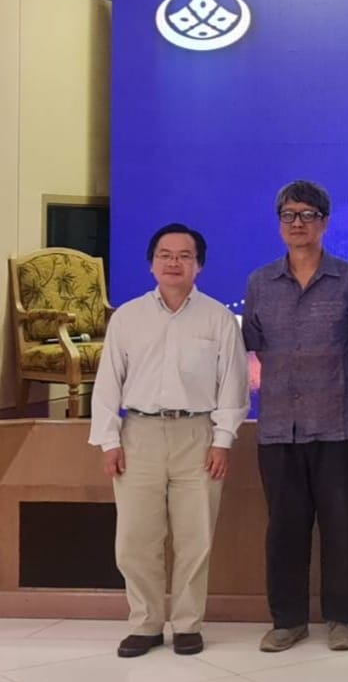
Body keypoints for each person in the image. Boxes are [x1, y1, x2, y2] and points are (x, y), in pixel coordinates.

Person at [88, 223, 249, 658]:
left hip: (197, 435)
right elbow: (107, 384)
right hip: (138, 435)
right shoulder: (128, 317)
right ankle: (144, 624)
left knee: (196, 538)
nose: (173, 263)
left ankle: (187, 624)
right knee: (135, 539)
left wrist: (223, 440)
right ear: (151, 263)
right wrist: (108, 441)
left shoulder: (218, 318)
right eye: (165, 254)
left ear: (199, 265)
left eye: (184, 255)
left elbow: (233, 385)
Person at [243, 181, 348, 653]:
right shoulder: (260, 283)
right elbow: (257, 348)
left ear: (325, 222)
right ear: (279, 223)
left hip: (341, 426)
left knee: (343, 528)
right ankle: (288, 621)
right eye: (288, 215)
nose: (297, 223)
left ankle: (343, 619)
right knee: (284, 530)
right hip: (279, 427)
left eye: (307, 214)